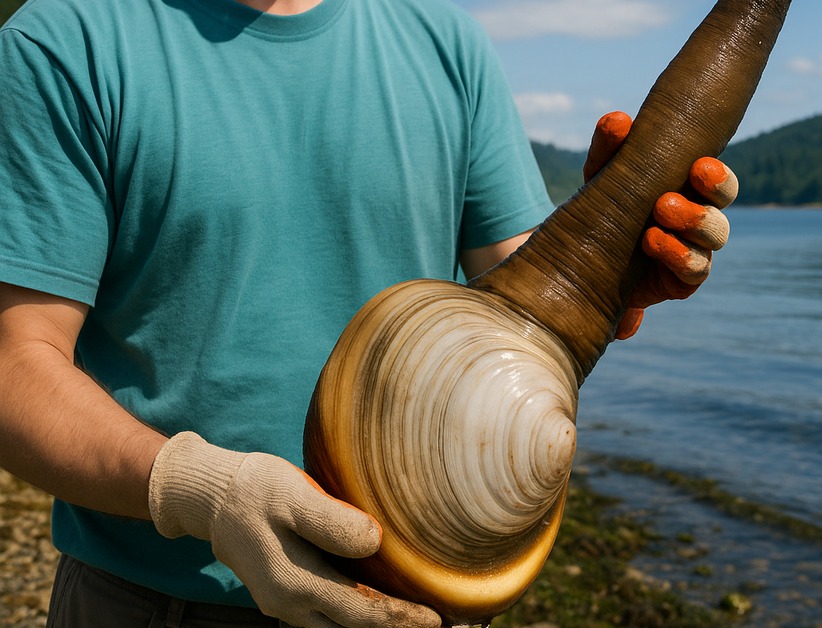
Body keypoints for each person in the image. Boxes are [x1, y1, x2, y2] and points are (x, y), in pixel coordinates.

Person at [0, 0, 737, 625]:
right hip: (153, 600)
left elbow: (528, 313)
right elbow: (14, 365)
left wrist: (613, 268)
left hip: (413, 597)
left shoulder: (441, 40)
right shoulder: (65, 42)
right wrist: (202, 493)